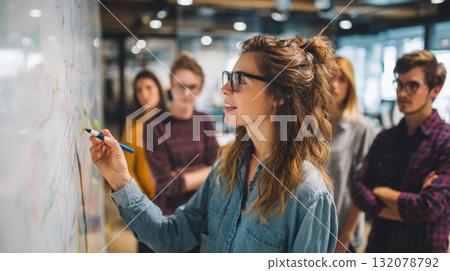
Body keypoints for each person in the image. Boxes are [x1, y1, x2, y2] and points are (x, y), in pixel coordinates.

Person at [89, 34, 338, 252]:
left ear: (279, 94)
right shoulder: (226, 168)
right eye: (228, 77)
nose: (225, 88)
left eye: (239, 79)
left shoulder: (309, 194)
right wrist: (120, 179)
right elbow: (171, 236)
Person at [352, 50, 449, 252]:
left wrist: (381, 191)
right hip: (378, 248)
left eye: (413, 86)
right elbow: (359, 189)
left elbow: (428, 207)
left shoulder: (445, 141)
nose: (402, 93)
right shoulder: (386, 138)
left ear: (435, 90)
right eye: (399, 84)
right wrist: (402, 207)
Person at [144, 53, 220, 217]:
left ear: (199, 90)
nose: (186, 93)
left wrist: (178, 173)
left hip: (204, 209)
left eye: (192, 87)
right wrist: (204, 170)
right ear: (171, 86)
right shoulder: (154, 126)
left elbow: (218, 169)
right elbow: (167, 184)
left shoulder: (205, 120)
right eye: (180, 86)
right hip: (170, 214)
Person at [328, 56, 376, 253]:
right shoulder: (307, 124)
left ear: (350, 86)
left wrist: (345, 236)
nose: (334, 85)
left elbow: (363, 185)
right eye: (329, 77)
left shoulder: (362, 128)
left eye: (341, 79)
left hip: (342, 230)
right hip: (310, 227)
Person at [120, 70, 167, 253]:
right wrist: (142, 203)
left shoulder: (171, 120)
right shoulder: (132, 125)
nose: (144, 94)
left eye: (149, 87)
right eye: (139, 90)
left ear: (159, 89)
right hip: (147, 200)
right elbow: (128, 168)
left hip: (174, 199)